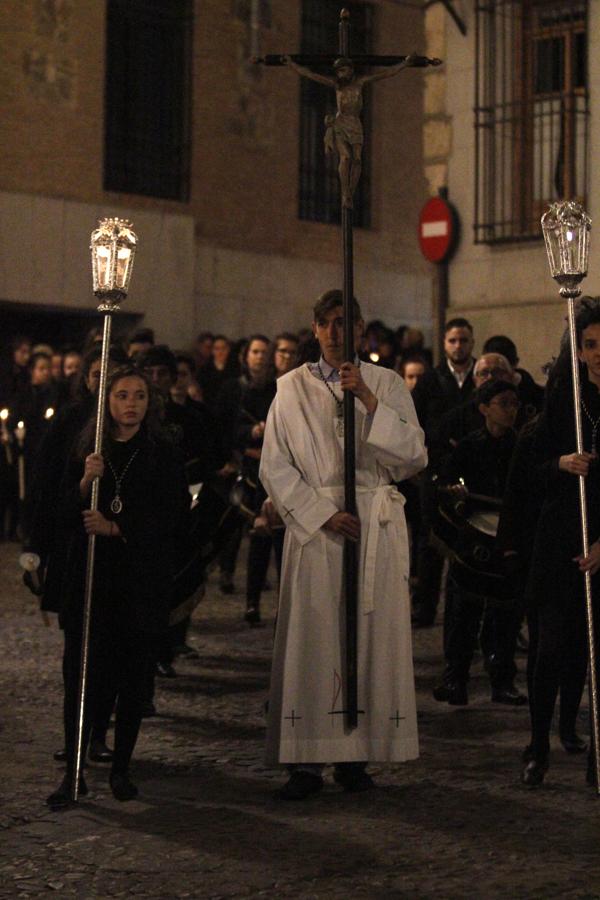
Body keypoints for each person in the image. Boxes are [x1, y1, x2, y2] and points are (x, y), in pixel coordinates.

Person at [259, 289, 427, 799]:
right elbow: (274, 463)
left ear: (360, 331)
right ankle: (306, 761)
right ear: (315, 328)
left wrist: (370, 402)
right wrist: (322, 513)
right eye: (328, 323)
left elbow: (414, 455)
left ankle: (356, 755)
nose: (337, 333)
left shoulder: (386, 383)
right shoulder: (289, 388)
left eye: (346, 323)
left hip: (373, 525)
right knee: (315, 640)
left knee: (367, 640)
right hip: (319, 531)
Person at [46, 365, 189, 809]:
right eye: (122, 395)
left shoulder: (161, 453)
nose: (131, 403)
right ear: (107, 402)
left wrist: (117, 527)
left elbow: (175, 517)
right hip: (91, 580)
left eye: (139, 396)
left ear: (150, 403)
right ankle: (74, 770)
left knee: (131, 678)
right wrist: (86, 482)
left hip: (138, 581)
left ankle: (122, 767)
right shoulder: (89, 449)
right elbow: (61, 516)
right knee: (82, 677)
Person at [522, 300, 600, 787]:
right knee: (549, 650)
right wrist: (559, 465)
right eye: (589, 344)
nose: (598, 354)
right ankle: (536, 746)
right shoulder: (563, 401)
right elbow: (526, 475)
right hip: (560, 544)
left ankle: (597, 752)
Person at [431, 379, 527, 706]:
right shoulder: (470, 447)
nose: (511, 410)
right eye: (503, 403)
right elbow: (444, 486)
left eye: (514, 403)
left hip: (509, 537)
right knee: (464, 613)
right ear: (484, 408)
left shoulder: (522, 446)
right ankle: (456, 678)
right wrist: (455, 494)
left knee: (505, 617)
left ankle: (502, 680)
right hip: (475, 539)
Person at [410, 318, 477, 627]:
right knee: (430, 540)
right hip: (437, 467)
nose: (458, 346)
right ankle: (425, 606)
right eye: (452, 341)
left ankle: (468, 611)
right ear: (444, 343)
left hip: (473, 469)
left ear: (471, 342)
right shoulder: (431, 381)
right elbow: (415, 421)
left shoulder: (481, 375)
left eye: (463, 340)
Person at [283, 55, 415, 208]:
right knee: (345, 157)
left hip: (355, 124)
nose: (341, 74)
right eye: (338, 72)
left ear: (351, 71)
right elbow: (311, 75)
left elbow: (387, 73)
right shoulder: (336, 85)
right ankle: (345, 193)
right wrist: (291, 65)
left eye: (343, 70)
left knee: (357, 159)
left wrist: (405, 64)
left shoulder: (360, 82)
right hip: (341, 123)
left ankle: (349, 193)